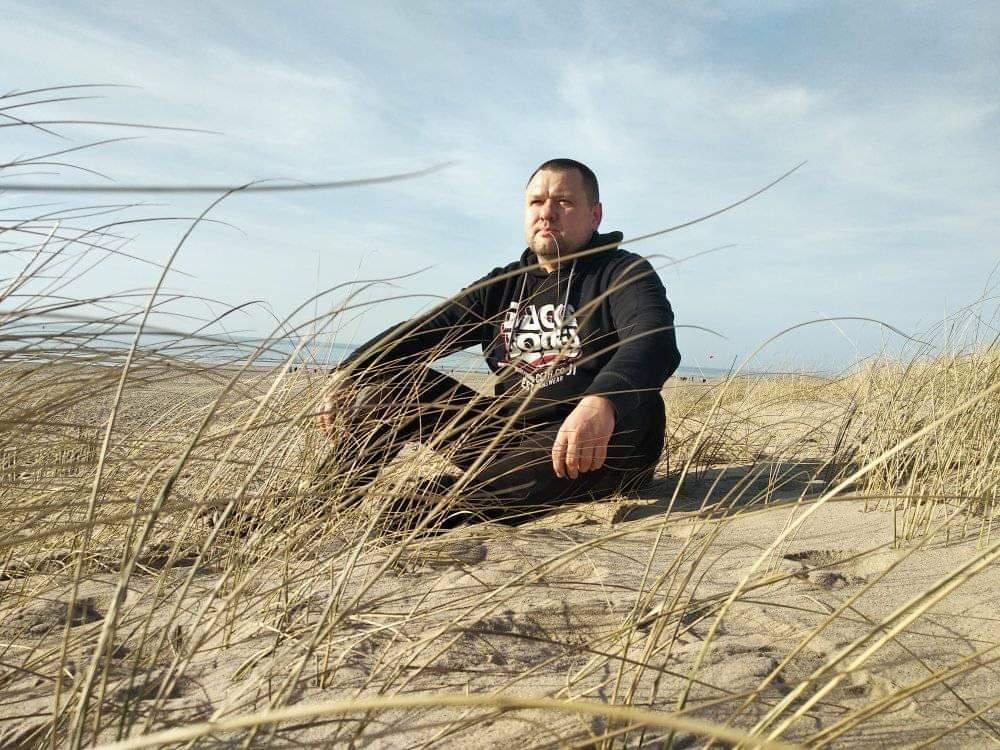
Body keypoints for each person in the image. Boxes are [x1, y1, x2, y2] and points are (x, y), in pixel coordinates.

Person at [316, 158, 680, 526]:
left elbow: (653, 341)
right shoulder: (504, 284)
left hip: (600, 442)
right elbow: (422, 333)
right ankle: (321, 506)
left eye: (564, 202)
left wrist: (602, 401)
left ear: (594, 215)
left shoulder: (623, 272)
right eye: (536, 202)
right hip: (509, 436)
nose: (547, 213)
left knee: (419, 508)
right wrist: (347, 373)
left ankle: (441, 503)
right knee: (390, 387)